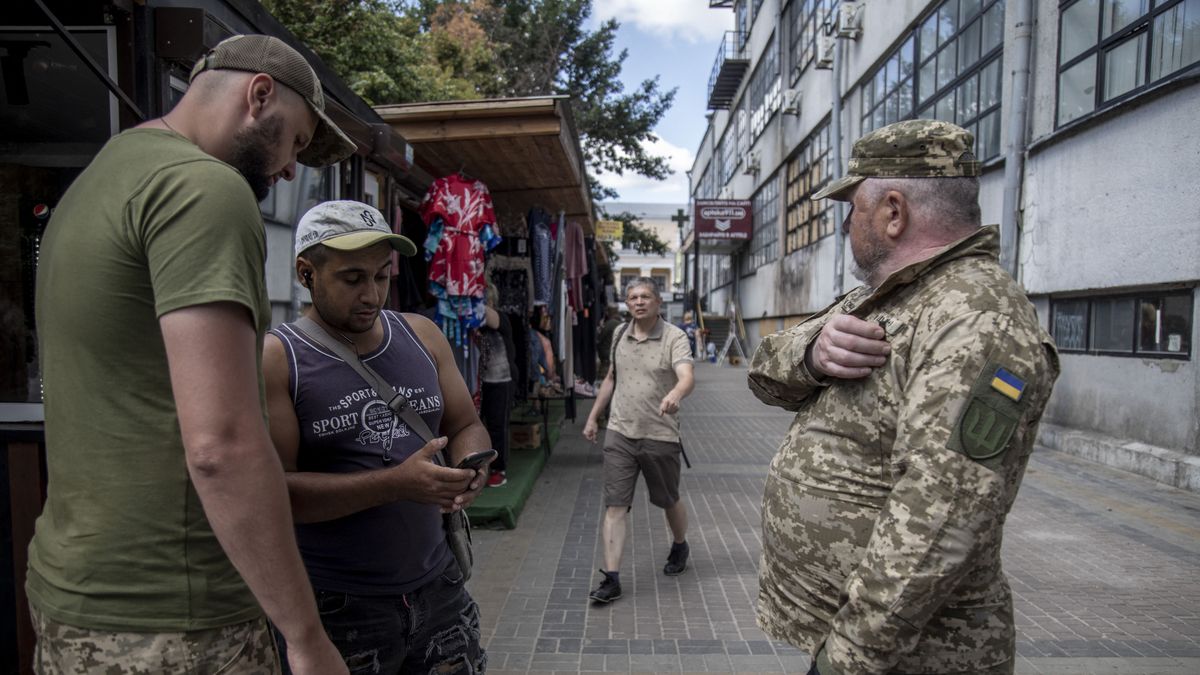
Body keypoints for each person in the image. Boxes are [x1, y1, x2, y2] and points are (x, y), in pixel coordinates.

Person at [28, 34, 355, 674]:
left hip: (73, 591)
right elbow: (221, 445)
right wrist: (306, 637)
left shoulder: (104, 175)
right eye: (295, 142)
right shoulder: (204, 189)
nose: (292, 168)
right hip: (174, 612)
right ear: (259, 96)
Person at [747, 119, 1060, 675]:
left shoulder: (976, 316)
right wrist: (813, 353)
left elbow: (942, 511)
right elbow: (764, 369)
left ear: (893, 211)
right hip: (853, 635)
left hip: (908, 656)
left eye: (852, 207)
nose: (846, 224)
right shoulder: (893, 295)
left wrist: (851, 654)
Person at [263, 201, 490, 673]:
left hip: (439, 586)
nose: (371, 294)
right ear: (307, 273)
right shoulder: (279, 358)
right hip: (339, 606)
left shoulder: (422, 335)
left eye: (381, 276)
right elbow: (275, 493)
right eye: (352, 279)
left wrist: (471, 466)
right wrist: (395, 484)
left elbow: (465, 423)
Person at [583, 278, 695, 604]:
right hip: (620, 433)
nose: (639, 302)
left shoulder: (674, 337)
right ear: (627, 303)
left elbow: (687, 375)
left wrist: (676, 392)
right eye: (633, 297)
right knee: (615, 505)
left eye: (646, 296)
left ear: (658, 301)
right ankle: (612, 578)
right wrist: (593, 417)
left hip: (659, 434)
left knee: (668, 499)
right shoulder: (619, 333)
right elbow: (610, 379)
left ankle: (679, 544)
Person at [480, 283, 518, 487]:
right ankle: (479, 467)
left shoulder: (500, 318)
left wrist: (470, 298)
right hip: (477, 380)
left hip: (500, 380)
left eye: (486, 299)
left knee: (497, 426)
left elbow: (490, 318)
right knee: (477, 423)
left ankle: (498, 469)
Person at [596, 305, 622, 381]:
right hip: (614, 352)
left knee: (604, 374)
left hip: (607, 353)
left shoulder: (609, 324)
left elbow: (600, 338)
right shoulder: (619, 323)